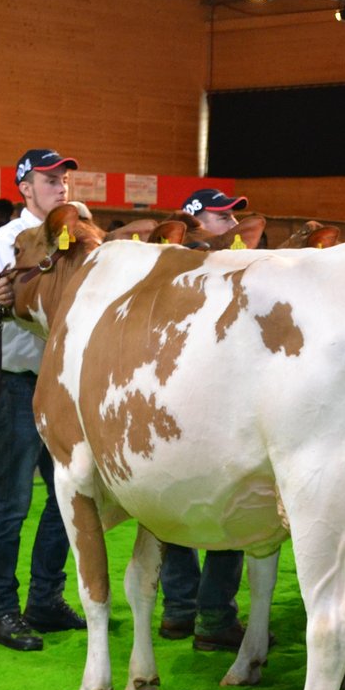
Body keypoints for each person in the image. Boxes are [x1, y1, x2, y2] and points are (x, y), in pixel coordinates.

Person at [0, 149, 85, 652]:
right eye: (49, 179)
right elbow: (2, 296)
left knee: (67, 496)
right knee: (13, 499)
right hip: (19, 379)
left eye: (63, 178)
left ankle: (45, 598)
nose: (60, 185)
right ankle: (0, 610)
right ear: (24, 186)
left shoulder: (77, 228)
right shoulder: (8, 239)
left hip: (60, 381)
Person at [157, 188, 252, 650]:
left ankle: (180, 611)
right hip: (207, 398)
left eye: (235, 217)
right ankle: (211, 617)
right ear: (192, 221)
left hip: (176, 399)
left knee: (175, 499)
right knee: (229, 503)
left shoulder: (172, 267)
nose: (233, 226)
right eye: (222, 217)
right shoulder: (193, 266)